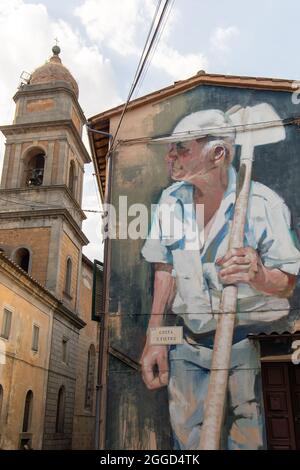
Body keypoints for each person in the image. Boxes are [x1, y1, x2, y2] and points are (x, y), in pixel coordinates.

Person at [140, 108, 300, 450]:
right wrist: (155, 338)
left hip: (247, 349)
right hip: (188, 345)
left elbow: (287, 282)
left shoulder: (263, 204)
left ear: (217, 154)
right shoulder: (171, 200)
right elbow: (164, 270)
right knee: (188, 443)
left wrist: (258, 275)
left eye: (181, 148)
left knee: (249, 441)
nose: (170, 156)